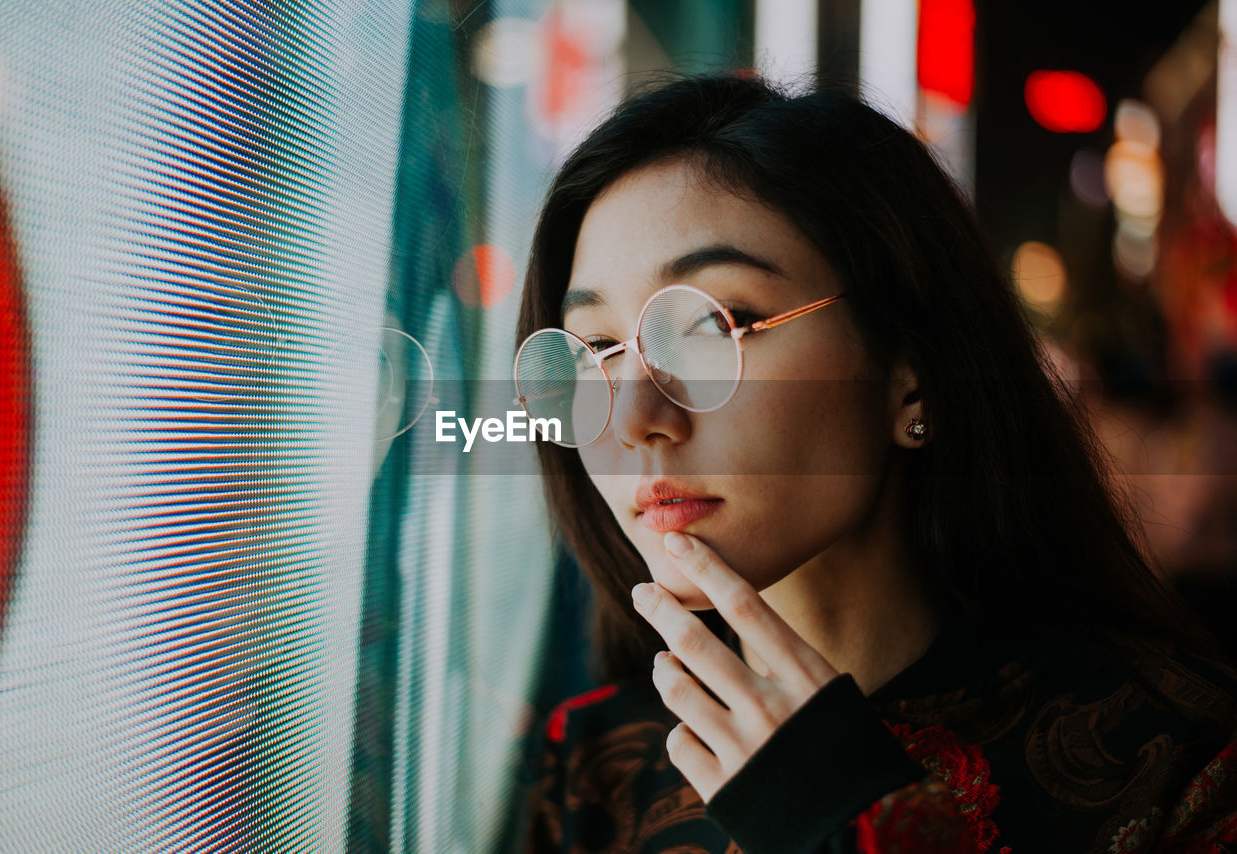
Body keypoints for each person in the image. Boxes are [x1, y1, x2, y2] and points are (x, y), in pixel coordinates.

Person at [513, 75, 1237, 853]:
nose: (634, 420)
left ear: (910, 372)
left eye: (712, 328)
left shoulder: (1178, 758)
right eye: (593, 352)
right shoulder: (596, 765)